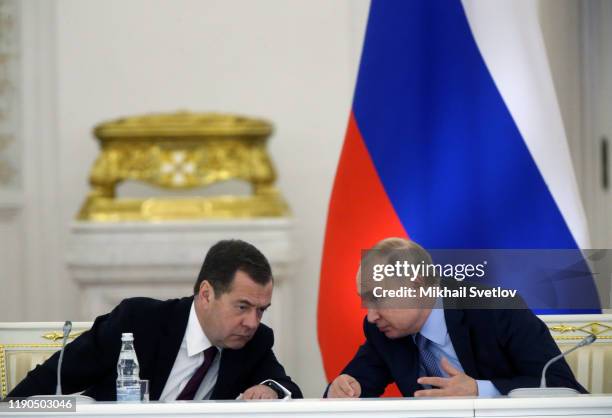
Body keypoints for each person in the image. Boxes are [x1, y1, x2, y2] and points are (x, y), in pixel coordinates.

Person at [9, 239, 302, 400]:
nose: (252, 322)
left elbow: (287, 388)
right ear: (206, 294)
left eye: (261, 310)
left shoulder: (254, 341)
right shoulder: (139, 322)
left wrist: (270, 390)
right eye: (242, 306)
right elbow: (55, 378)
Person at [326, 237, 586, 398]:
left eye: (378, 297)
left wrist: (479, 390)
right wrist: (341, 389)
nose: (371, 315)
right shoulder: (382, 330)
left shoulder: (496, 309)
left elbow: (560, 385)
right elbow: (354, 385)